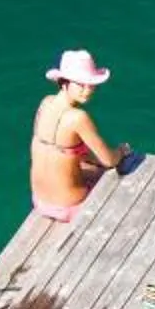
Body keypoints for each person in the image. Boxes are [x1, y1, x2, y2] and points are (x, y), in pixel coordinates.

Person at [29, 49, 129, 222]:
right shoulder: (78, 118)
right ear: (64, 83)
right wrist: (121, 151)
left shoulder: (45, 103)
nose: (88, 90)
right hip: (70, 206)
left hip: (40, 202)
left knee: (85, 164)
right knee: (121, 174)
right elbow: (109, 160)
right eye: (81, 84)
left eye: (91, 84)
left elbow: (61, 151)